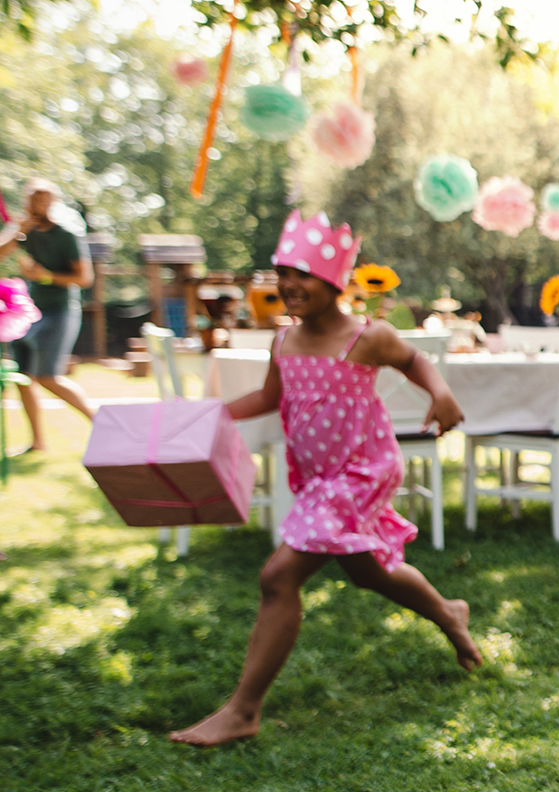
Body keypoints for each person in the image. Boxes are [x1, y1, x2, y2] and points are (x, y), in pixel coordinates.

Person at [170, 210, 479, 747]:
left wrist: (441, 393)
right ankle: (450, 613)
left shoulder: (367, 336)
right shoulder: (282, 342)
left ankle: (243, 711)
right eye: (283, 272)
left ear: (333, 282)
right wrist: (213, 413)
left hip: (363, 471)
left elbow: (414, 361)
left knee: (278, 576)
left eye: (303, 274)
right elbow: (270, 398)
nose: (289, 284)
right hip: (320, 477)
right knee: (369, 573)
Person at [0, 179, 98, 452]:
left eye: (43, 199)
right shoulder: (25, 232)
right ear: (25, 200)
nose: (37, 204)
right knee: (23, 377)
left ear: (53, 202)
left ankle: (101, 423)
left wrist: (45, 276)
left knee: (48, 377)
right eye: (33, 198)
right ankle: (38, 442)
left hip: (61, 311)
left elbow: (85, 278)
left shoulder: (66, 236)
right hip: (28, 314)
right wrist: (14, 232)